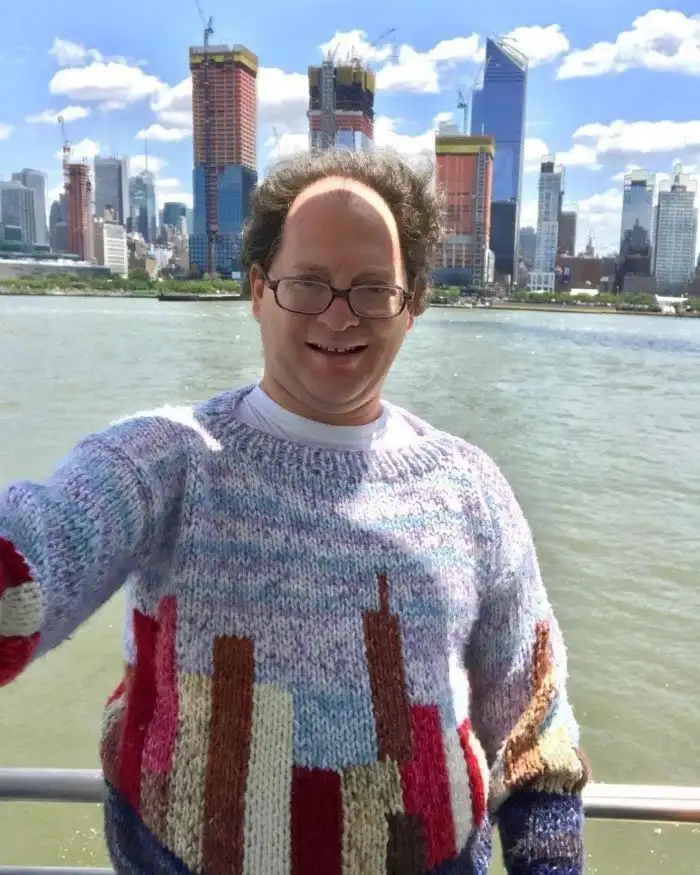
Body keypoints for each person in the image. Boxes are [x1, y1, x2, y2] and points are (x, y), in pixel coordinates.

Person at [0, 148, 588, 875]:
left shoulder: (473, 489)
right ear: (258, 292)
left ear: (412, 306)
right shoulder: (165, 458)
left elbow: (533, 716)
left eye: (373, 288)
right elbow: (38, 553)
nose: (339, 316)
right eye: (308, 283)